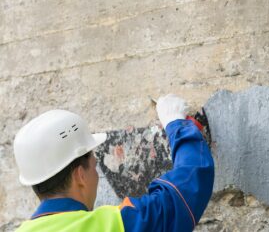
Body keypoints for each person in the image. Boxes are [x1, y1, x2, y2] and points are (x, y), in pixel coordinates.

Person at [13, 94, 214, 232]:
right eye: (93, 165)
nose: (96, 174)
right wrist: (176, 124)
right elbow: (180, 197)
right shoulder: (109, 225)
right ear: (80, 176)